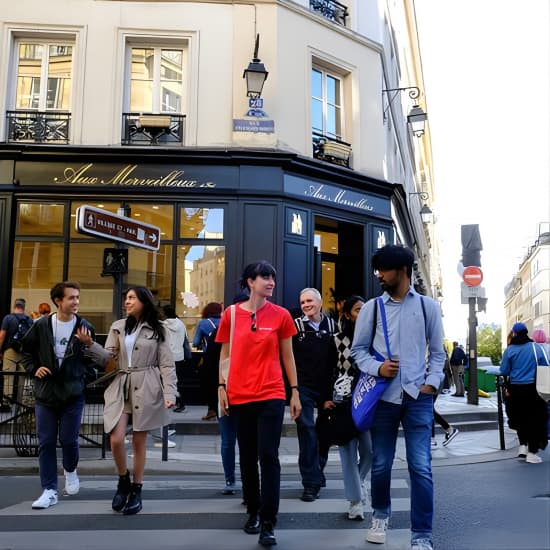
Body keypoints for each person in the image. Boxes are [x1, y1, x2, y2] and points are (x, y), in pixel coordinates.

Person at [351, 244, 445, 550]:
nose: (378, 275)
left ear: (402, 271)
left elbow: (439, 353)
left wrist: (431, 383)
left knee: (421, 467)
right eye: (377, 270)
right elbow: (357, 352)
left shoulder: (427, 307)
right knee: (381, 464)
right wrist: (378, 367)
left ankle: (421, 535)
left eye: (384, 269)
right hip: (383, 399)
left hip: (418, 398)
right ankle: (380, 516)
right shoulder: (371, 308)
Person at [217, 261, 301, 547]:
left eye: (273, 277)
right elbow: (224, 355)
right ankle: (252, 510)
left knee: (269, 455)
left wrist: (295, 391)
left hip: (272, 393)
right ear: (250, 281)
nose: (271, 282)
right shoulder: (229, 315)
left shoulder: (281, 316)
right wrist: (221, 387)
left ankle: (268, 519)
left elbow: (288, 356)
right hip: (240, 395)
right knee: (247, 456)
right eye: (265, 277)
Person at [80, 286, 177, 515]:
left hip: (147, 385)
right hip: (121, 384)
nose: (127, 301)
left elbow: (166, 364)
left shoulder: (159, 329)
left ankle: (137, 488)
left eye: (132, 298)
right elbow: (108, 360)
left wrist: (170, 393)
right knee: (116, 438)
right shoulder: (118, 326)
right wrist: (89, 344)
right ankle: (123, 480)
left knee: (139, 441)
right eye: (126, 298)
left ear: (144, 301)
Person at [18, 282, 96, 509]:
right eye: (71, 298)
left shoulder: (84, 326)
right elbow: (26, 352)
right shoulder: (41, 325)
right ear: (58, 301)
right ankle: (49, 490)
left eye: (78, 298)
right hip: (46, 395)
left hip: (73, 394)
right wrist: (34, 368)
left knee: (69, 440)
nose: (76, 302)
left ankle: (70, 470)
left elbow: (94, 360)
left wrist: (84, 373)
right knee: (46, 442)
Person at [322, 295, 372, 521]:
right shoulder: (336, 340)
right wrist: (325, 398)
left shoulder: (375, 339)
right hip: (343, 403)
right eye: (358, 310)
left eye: (365, 309)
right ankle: (355, 501)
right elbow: (325, 370)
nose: (362, 314)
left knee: (371, 451)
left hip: (368, 401)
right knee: (348, 453)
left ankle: (360, 482)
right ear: (347, 315)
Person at [292, 287, 337, 502]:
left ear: (319, 303)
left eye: (309, 300)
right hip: (303, 387)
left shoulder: (333, 327)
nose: (306, 305)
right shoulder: (296, 327)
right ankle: (310, 483)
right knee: (306, 430)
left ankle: (318, 469)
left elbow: (337, 361)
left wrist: (333, 393)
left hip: (327, 388)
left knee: (324, 434)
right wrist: (292, 390)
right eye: (302, 302)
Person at [493, 323, 548, 463]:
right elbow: (545, 365)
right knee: (535, 420)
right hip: (533, 388)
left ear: (515, 333)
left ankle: (522, 447)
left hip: (515, 389)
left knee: (520, 418)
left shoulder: (509, 350)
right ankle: (532, 453)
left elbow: (504, 370)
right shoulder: (536, 347)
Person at [0, 298, 34, 411]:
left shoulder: (8, 318)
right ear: (23, 308)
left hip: (10, 350)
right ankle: (20, 403)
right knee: (21, 377)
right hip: (24, 352)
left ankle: (7, 402)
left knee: (8, 375)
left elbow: (2, 336)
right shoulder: (29, 320)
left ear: (14, 306)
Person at [193, 302, 222, 421]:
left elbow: (195, 342)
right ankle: (223, 409)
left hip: (209, 358)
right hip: (225, 358)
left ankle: (211, 410)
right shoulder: (225, 321)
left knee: (209, 384)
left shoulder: (203, 323)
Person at [162, 305, 188, 413]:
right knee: (176, 381)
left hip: (167, 357)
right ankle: (178, 402)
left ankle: (179, 402)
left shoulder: (162, 325)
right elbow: (185, 339)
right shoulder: (181, 324)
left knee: (166, 380)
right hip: (179, 356)